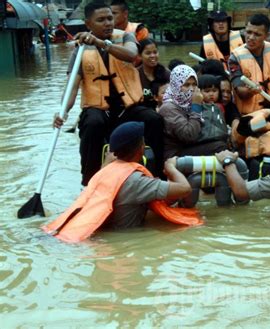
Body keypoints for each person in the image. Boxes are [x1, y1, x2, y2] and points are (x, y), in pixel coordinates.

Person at [53, 1, 164, 186]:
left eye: (110, 18)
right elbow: (72, 87)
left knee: (154, 119)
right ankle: (88, 183)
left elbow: (131, 55)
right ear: (88, 24)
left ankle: (158, 175)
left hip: (127, 108)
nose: (108, 23)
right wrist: (62, 112)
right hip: (98, 109)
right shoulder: (79, 50)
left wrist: (101, 43)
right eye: (101, 20)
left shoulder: (126, 37)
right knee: (92, 124)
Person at [43, 121, 201, 243]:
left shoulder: (103, 172)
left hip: (84, 235)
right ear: (140, 149)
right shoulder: (137, 181)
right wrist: (171, 167)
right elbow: (185, 189)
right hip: (122, 240)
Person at [158, 65, 228, 160]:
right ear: (176, 86)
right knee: (220, 147)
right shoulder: (168, 108)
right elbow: (189, 135)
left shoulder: (189, 102)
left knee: (223, 143)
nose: (191, 89)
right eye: (186, 85)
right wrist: (196, 106)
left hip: (193, 145)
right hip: (176, 154)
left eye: (194, 84)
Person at [138, 38, 170, 109]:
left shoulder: (166, 73)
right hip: (143, 112)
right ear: (140, 55)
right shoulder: (136, 74)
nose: (152, 56)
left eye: (155, 52)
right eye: (148, 53)